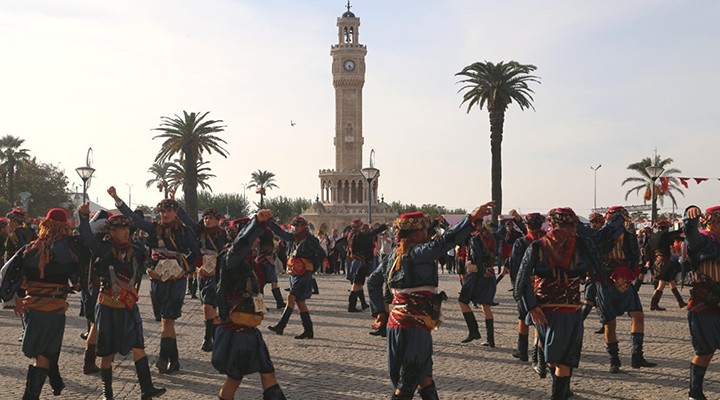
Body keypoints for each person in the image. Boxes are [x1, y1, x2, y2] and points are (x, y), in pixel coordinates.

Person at [386, 202, 494, 400]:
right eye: (424, 230)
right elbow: (443, 243)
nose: (427, 233)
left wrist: (381, 311)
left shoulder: (394, 254)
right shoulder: (417, 253)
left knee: (425, 377)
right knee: (408, 382)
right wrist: (470, 219)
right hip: (413, 326)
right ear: (416, 233)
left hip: (398, 323)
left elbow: (376, 282)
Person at [78, 205, 166, 400]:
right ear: (111, 231)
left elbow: (153, 238)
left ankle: (147, 389)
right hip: (108, 307)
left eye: (128, 229)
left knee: (138, 346)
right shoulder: (103, 249)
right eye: (121, 229)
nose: (126, 232)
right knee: (107, 352)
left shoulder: (136, 250)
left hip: (128, 307)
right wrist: (83, 217)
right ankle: (106, 392)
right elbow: (87, 237)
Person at [107, 186, 199, 374]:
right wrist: (117, 198)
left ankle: (163, 358)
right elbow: (134, 218)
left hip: (176, 280)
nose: (165, 214)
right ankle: (175, 360)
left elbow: (195, 253)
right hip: (157, 279)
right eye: (162, 211)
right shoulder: (153, 228)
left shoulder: (185, 231)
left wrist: (182, 267)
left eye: (169, 210)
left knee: (168, 319)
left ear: (175, 212)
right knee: (165, 321)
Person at [515, 207, 602, 400]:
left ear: (551, 223)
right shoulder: (582, 245)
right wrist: (591, 296)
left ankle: (561, 388)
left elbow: (520, 283)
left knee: (557, 361)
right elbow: (600, 273)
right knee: (563, 362)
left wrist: (532, 307)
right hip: (569, 310)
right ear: (573, 224)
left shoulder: (537, 246)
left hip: (544, 311)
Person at [4, 208, 84, 399]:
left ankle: (55, 381)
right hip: (54, 309)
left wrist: (15, 299)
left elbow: (7, 274)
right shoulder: (70, 250)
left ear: (45, 225)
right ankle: (31, 397)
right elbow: (78, 280)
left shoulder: (29, 249)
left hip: (31, 307)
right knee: (45, 353)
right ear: (64, 227)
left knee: (44, 350)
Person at [213, 210, 286, 400]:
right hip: (237, 331)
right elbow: (240, 245)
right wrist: (255, 224)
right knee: (234, 379)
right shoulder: (231, 258)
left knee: (267, 372)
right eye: (254, 237)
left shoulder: (248, 262)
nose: (257, 240)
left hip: (250, 330)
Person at [594, 206, 656, 373]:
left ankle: (637, 355)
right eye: (618, 217)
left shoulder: (629, 237)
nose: (622, 220)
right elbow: (596, 251)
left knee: (638, 315)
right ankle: (614, 360)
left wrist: (634, 270)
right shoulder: (601, 234)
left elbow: (634, 256)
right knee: (609, 323)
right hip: (606, 279)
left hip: (625, 278)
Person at [177, 206, 229, 352]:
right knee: (208, 305)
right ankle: (213, 338)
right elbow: (186, 219)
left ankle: (209, 338)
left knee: (210, 305)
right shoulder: (198, 231)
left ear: (217, 220)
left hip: (217, 274)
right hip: (202, 273)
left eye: (211, 218)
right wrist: (175, 204)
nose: (207, 220)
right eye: (205, 217)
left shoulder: (223, 234)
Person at [267, 216, 326, 339]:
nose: (293, 228)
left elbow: (321, 254)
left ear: (302, 226)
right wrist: (269, 223)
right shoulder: (293, 238)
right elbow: (281, 233)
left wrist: (312, 266)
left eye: (296, 225)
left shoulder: (310, 240)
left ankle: (281, 325)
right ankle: (308, 330)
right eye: (293, 225)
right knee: (300, 302)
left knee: (291, 297)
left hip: (304, 274)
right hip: (294, 272)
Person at [509, 213, 546, 370]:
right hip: (544, 284)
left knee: (523, 316)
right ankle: (536, 354)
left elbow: (515, 267)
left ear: (528, 225)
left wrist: (516, 286)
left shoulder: (522, 242)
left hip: (526, 284)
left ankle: (523, 350)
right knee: (540, 319)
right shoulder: (547, 240)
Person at [458, 217, 498, 347]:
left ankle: (473, 331)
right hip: (490, 272)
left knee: (463, 300)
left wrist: (481, 270)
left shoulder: (475, 238)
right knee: (485, 305)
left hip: (477, 273)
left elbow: (476, 256)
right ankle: (490, 339)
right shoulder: (492, 237)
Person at [342, 219, 388, 312]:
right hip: (360, 262)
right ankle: (351, 306)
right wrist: (384, 226)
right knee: (356, 284)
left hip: (354, 261)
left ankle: (363, 304)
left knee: (359, 284)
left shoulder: (350, 234)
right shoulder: (359, 235)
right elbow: (372, 233)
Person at [646, 220, 686, 310]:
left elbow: (646, 249)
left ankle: (680, 302)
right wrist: (686, 226)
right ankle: (653, 304)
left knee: (671, 281)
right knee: (662, 284)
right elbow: (677, 233)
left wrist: (648, 260)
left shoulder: (653, 237)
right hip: (664, 261)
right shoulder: (664, 235)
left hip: (658, 261)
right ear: (666, 227)